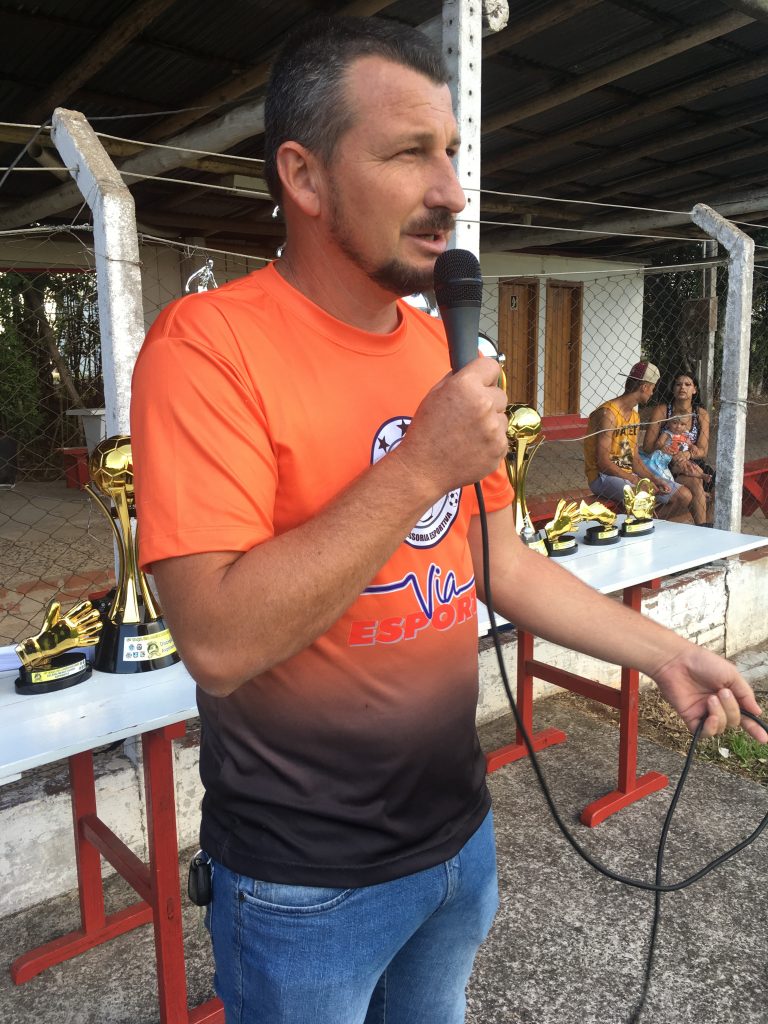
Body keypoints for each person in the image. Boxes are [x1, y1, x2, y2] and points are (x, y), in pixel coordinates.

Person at [130, 17, 765, 1024]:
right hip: (305, 883)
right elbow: (217, 639)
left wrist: (665, 654)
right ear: (303, 175)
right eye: (408, 154)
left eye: (452, 153)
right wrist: (420, 463)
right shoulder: (206, 349)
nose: (453, 192)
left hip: (458, 841)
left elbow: (498, 560)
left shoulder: (439, 350)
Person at [583, 360, 693, 522]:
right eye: (652, 388)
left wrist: (654, 479)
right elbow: (603, 463)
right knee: (643, 496)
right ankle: (642, 524)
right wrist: (636, 480)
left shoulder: (634, 416)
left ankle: (644, 524)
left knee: (683, 496)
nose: (652, 393)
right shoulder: (609, 414)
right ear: (644, 387)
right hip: (602, 477)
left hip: (627, 475)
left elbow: (634, 459)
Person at [643, 370, 714, 526]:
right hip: (666, 464)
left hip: (692, 461)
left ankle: (708, 524)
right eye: (678, 384)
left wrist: (687, 454)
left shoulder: (701, 414)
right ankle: (704, 528)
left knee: (719, 482)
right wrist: (664, 448)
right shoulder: (663, 410)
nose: (682, 387)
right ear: (673, 389)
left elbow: (702, 451)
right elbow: (647, 447)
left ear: (694, 390)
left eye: (688, 384)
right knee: (696, 483)